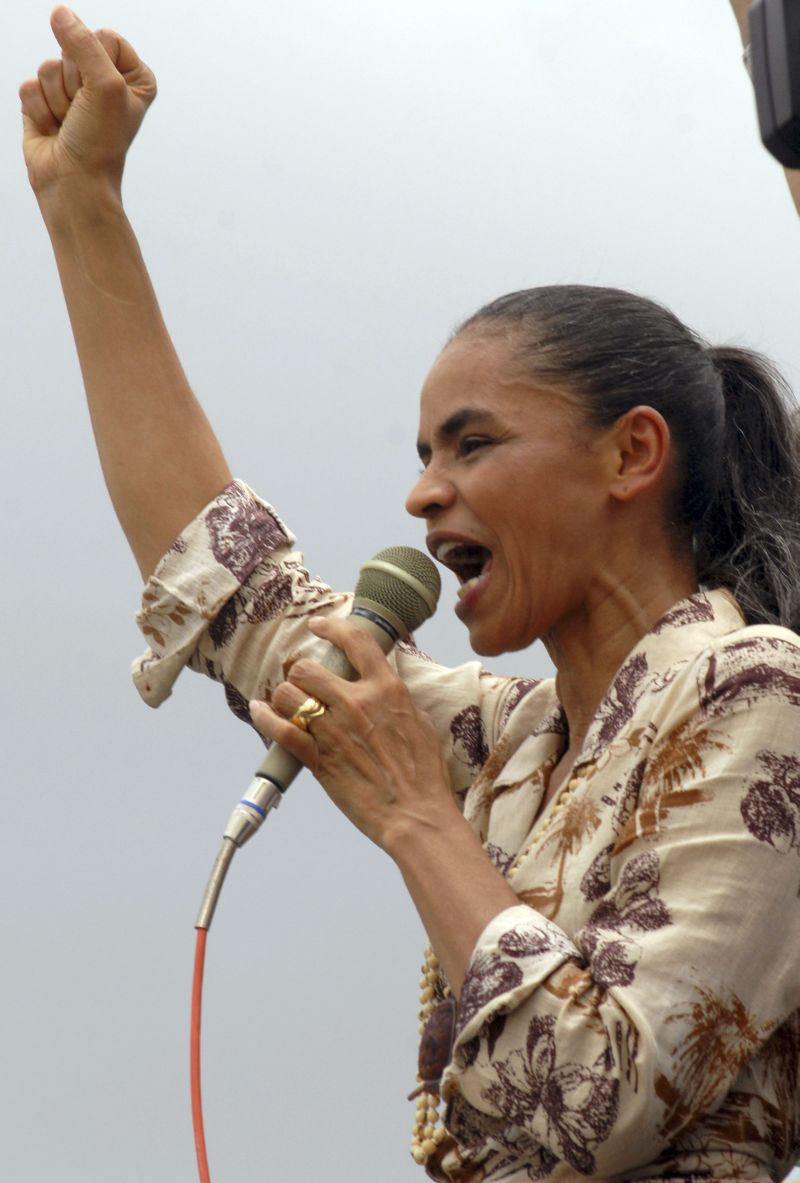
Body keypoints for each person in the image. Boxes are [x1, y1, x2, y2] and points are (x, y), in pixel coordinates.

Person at [20, 6, 800, 1181]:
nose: (421, 496)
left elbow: (601, 1102)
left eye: (470, 445)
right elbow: (230, 581)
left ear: (629, 458)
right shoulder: (518, 743)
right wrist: (84, 206)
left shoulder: (758, 690)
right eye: (423, 454)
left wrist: (416, 820)